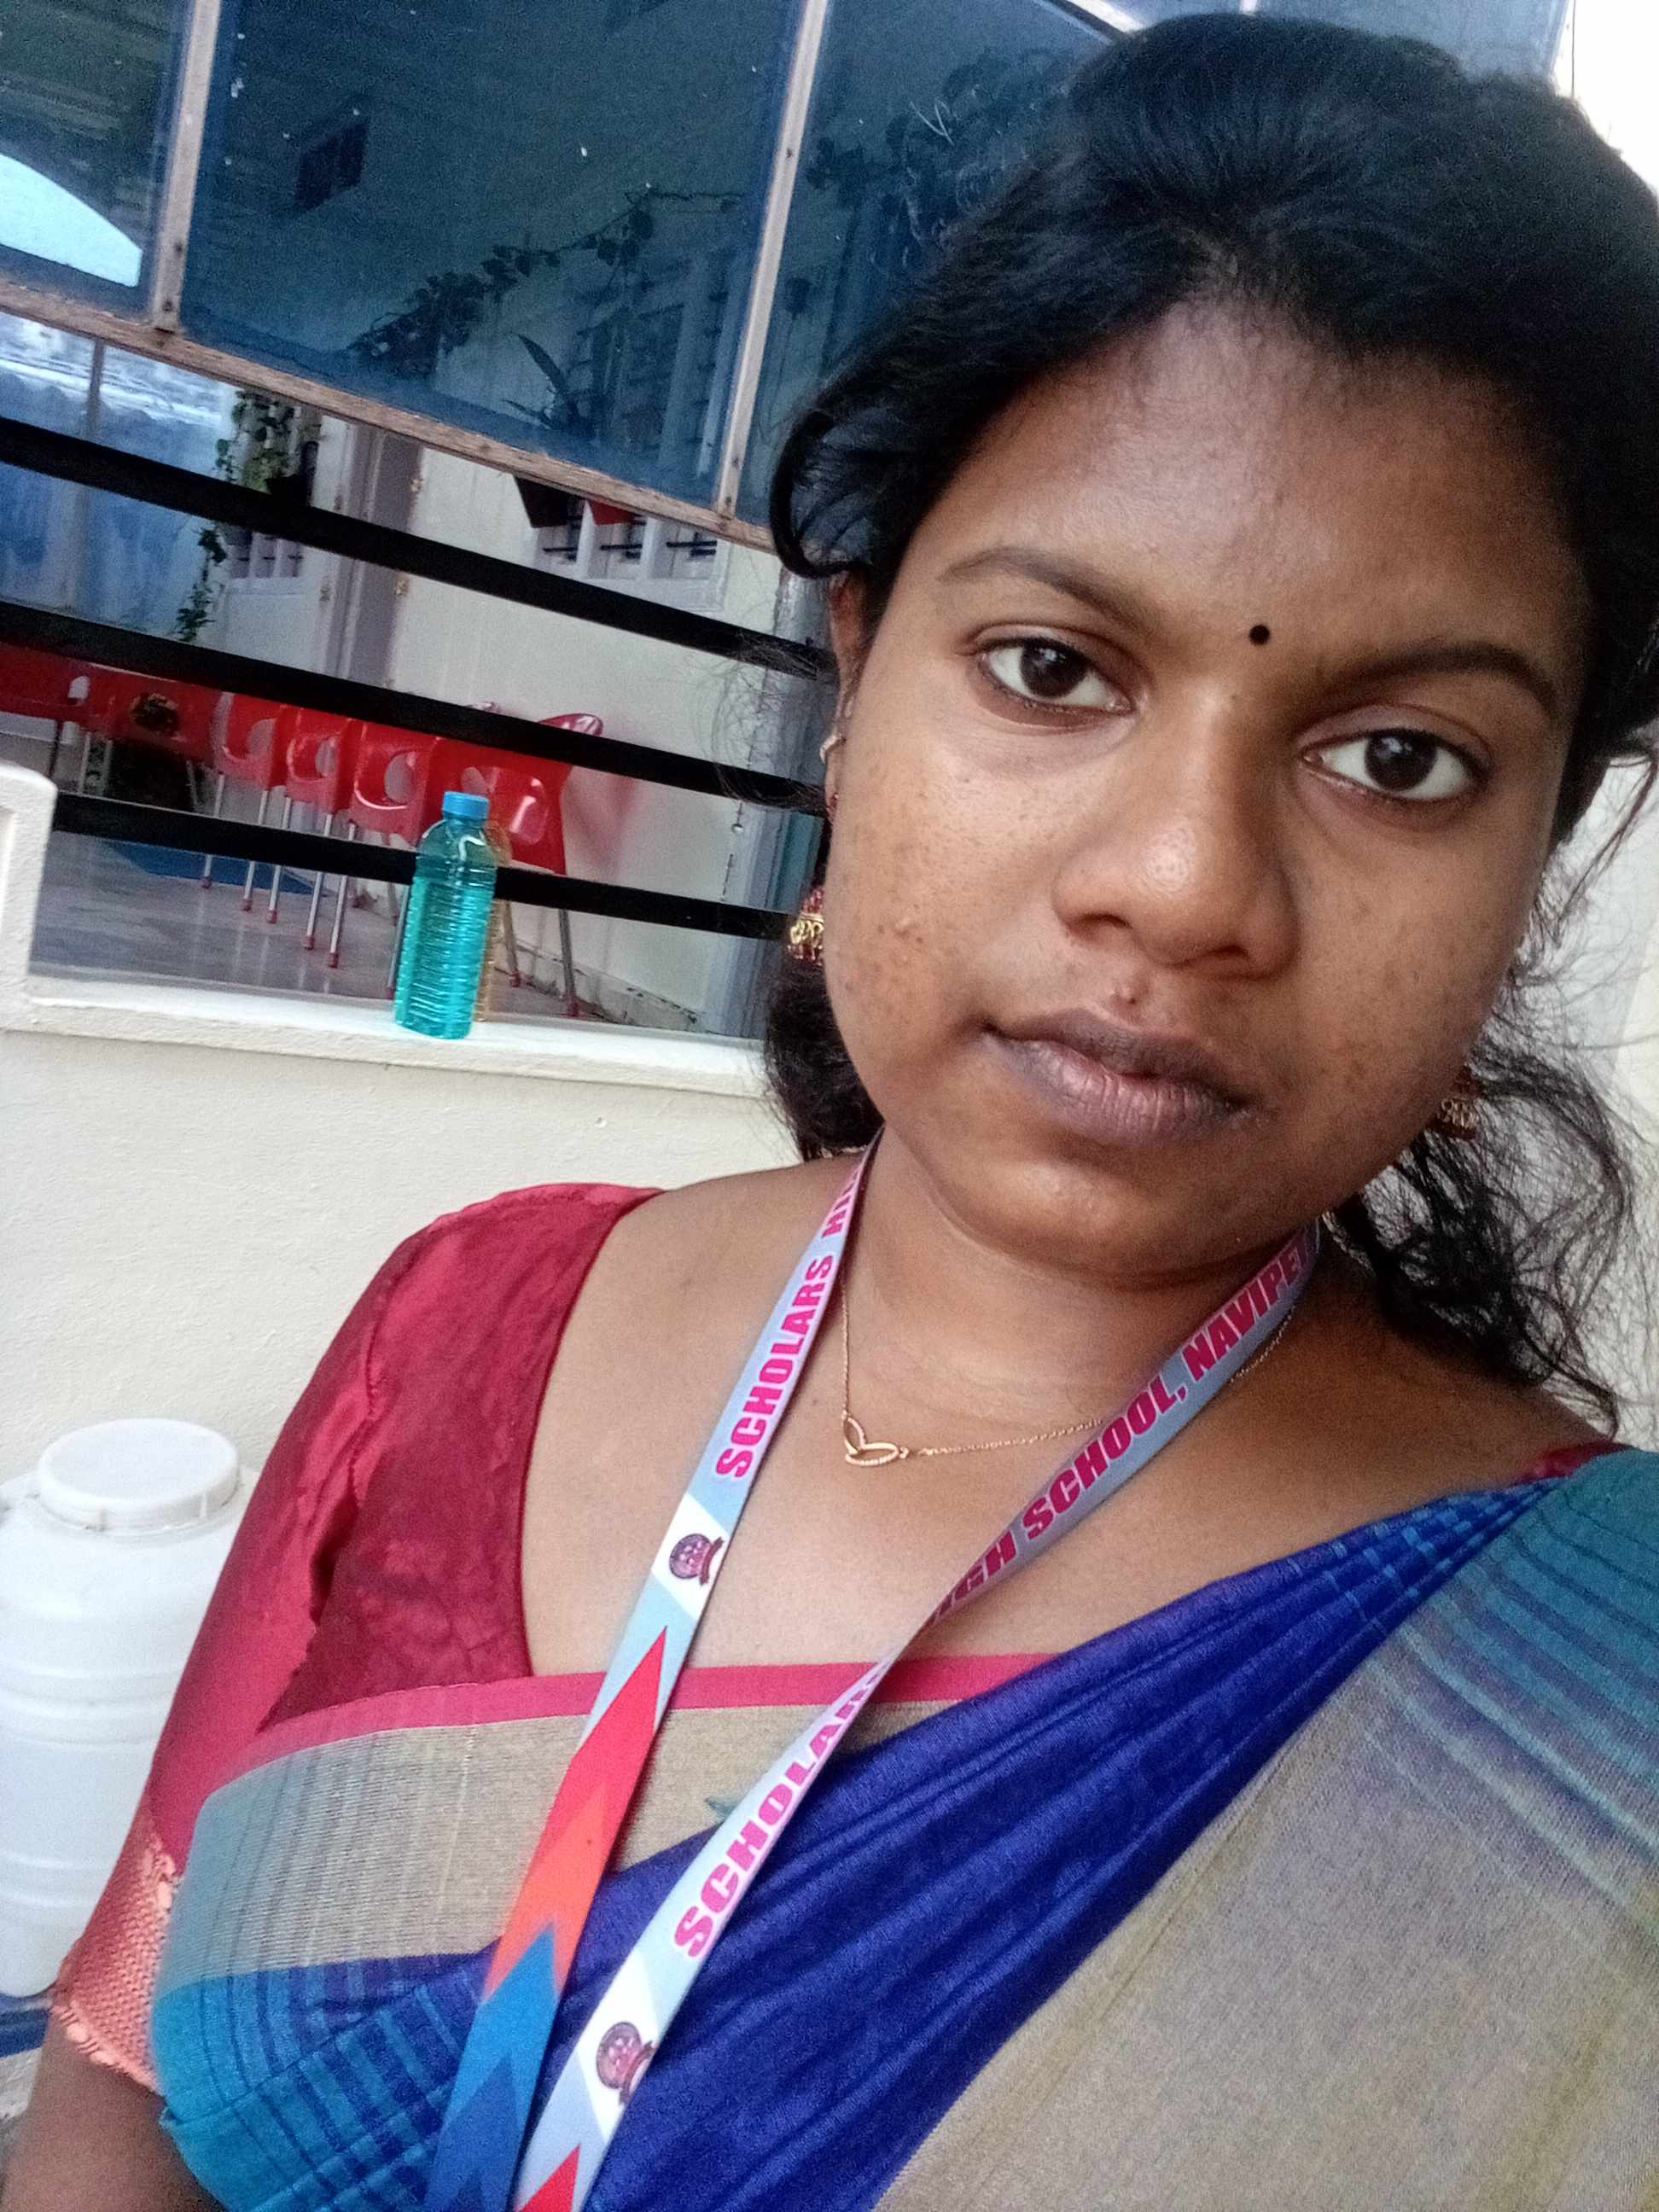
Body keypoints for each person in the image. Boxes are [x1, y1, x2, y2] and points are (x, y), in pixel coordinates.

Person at [8, 15, 1659, 2209]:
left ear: (1533, 857)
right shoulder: (464, 1326)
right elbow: (114, 2083)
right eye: (1054, 669)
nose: (1183, 881)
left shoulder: (1596, 1704)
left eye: (1402, 759)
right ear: (856, 679)